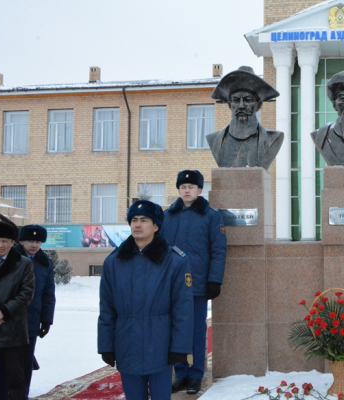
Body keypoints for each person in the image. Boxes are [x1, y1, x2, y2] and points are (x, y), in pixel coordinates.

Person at [98, 200, 193, 400]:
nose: (137, 225)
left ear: (156, 226)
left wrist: (179, 347)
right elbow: (107, 308)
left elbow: (182, 308)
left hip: (161, 345)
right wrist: (106, 344)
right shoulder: (114, 262)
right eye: (134, 220)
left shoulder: (174, 261)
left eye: (144, 220)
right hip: (127, 345)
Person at [162, 170, 227, 395]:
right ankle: (181, 373)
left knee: (197, 331)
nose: (187, 190)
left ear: (200, 190)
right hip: (173, 285)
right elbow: (161, 250)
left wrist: (214, 280)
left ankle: (196, 374)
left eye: (191, 187)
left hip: (199, 284)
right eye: (183, 187)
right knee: (175, 330)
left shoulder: (210, 216)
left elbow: (218, 250)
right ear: (178, 190)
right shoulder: (168, 216)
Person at [0, 225, 55, 400]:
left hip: (30, 321)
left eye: (38, 241)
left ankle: (22, 395)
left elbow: (48, 294)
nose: (34, 245)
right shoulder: (10, 259)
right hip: (7, 320)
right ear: (20, 241)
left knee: (25, 363)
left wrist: (46, 320)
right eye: (30, 241)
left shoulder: (45, 263)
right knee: (5, 364)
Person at [206, 66, 283, 169]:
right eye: (236, 100)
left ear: (259, 105)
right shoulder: (214, 140)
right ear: (230, 105)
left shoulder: (273, 138)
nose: (241, 106)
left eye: (248, 99)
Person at [0, 220, 35, 400]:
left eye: (4, 241)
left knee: (16, 379)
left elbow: (26, 293)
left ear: (12, 243)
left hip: (13, 330)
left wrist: (3, 312)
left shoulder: (23, 263)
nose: (0, 245)